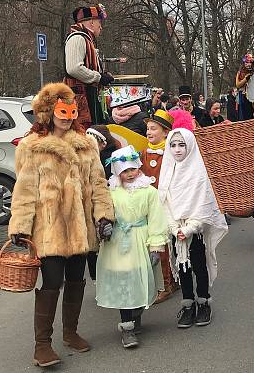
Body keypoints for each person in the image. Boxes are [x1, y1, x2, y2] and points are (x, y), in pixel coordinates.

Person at [9, 82, 114, 368]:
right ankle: (42, 345)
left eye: (71, 111)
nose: (67, 117)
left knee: (77, 280)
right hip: (49, 228)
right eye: (61, 111)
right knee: (52, 282)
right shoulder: (32, 147)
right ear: (48, 112)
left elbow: (98, 183)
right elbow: (25, 189)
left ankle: (71, 332)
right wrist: (20, 226)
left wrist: (104, 215)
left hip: (80, 227)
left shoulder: (87, 144)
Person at [96, 146, 170, 348]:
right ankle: (127, 326)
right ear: (117, 172)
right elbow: (102, 211)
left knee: (138, 280)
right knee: (124, 283)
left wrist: (156, 245)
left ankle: (136, 314)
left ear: (138, 167)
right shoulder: (111, 192)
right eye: (124, 171)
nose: (129, 174)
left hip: (140, 239)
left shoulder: (149, 192)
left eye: (132, 169)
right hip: (117, 243)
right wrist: (104, 225)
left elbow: (156, 218)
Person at [159, 127, 228, 329]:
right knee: (183, 268)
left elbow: (205, 204)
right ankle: (188, 304)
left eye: (182, 145)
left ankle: (204, 302)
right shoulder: (167, 170)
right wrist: (174, 228)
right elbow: (163, 201)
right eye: (173, 145)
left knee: (199, 266)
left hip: (195, 232)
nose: (178, 150)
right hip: (176, 231)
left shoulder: (199, 172)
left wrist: (190, 228)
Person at [140, 110, 178, 302]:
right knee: (158, 243)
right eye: (147, 128)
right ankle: (166, 282)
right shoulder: (143, 152)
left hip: (168, 203)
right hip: (151, 204)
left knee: (171, 243)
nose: (148, 132)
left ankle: (172, 280)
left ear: (165, 132)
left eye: (153, 128)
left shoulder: (172, 152)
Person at [63, 4, 114, 127]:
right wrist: (98, 77)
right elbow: (74, 68)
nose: (100, 27)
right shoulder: (77, 38)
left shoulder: (85, 39)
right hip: (80, 100)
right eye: (99, 23)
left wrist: (102, 76)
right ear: (91, 22)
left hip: (88, 97)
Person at [85, 124, 120, 283]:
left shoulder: (112, 156)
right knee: (91, 240)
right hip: (89, 202)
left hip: (106, 199)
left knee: (106, 237)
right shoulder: (87, 156)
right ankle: (95, 275)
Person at [235, 53, 254, 121]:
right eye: (246, 62)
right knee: (244, 116)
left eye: (249, 63)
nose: (248, 64)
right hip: (243, 96)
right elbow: (237, 84)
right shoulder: (240, 72)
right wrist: (246, 79)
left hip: (253, 96)